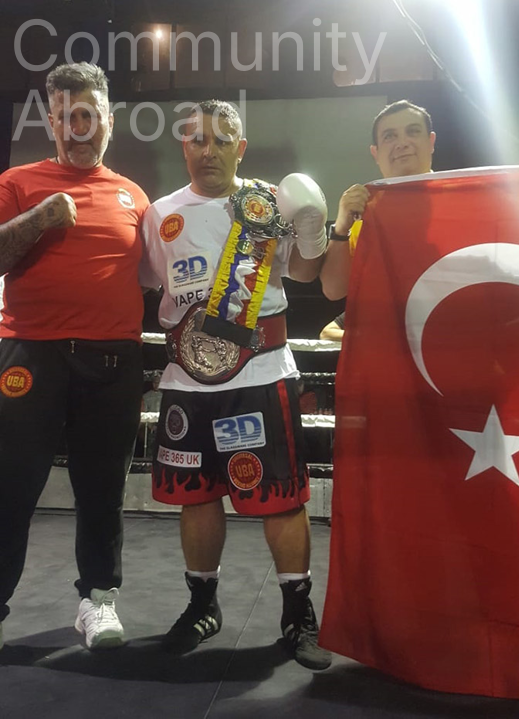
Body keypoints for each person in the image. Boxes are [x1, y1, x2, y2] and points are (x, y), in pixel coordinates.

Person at [140, 99, 332, 670]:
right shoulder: (159, 215)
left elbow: (305, 273)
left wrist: (314, 231)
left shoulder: (269, 202)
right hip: (187, 380)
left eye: (222, 139)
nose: (209, 150)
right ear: (184, 146)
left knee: (281, 498)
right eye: (197, 139)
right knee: (196, 495)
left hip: (261, 372)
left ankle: (297, 614)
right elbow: (148, 283)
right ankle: (202, 606)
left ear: (240, 147)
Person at [0, 62, 149, 651]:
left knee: (102, 487)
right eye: (64, 117)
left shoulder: (134, 196)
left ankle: (99, 600)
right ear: (52, 121)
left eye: (86, 115)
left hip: (111, 360)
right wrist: (41, 217)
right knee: (10, 485)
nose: (76, 128)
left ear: (108, 120)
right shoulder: (18, 182)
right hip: (29, 353)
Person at [320, 100, 436, 299]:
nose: (402, 143)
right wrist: (340, 230)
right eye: (389, 136)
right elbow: (334, 291)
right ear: (375, 153)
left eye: (413, 131)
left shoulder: (466, 203)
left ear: (431, 142)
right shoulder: (364, 211)